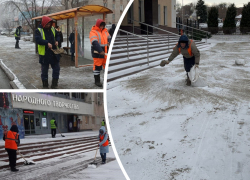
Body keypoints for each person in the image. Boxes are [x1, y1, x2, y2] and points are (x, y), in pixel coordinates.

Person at [35, 16, 61, 89]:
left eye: (49, 24)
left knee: (56, 69)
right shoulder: (38, 30)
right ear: (43, 23)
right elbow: (38, 40)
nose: (48, 25)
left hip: (54, 53)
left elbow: (58, 35)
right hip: (45, 54)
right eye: (47, 24)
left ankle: (54, 84)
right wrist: (47, 43)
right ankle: (45, 85)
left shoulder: (53, 28)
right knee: (44, 71)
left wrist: (57, 41)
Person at [89, 19, 111, 87]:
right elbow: (94, 42)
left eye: (103, 26)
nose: (102, 27)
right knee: (97, 67)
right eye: (101, 25)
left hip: (105, 52)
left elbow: (109, 37)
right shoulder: (93, 32)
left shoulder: (105, 31)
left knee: (106, 67)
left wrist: (110, 42)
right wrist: (100, 50)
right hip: (97, 53)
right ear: (98, 25)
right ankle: (97, 81)